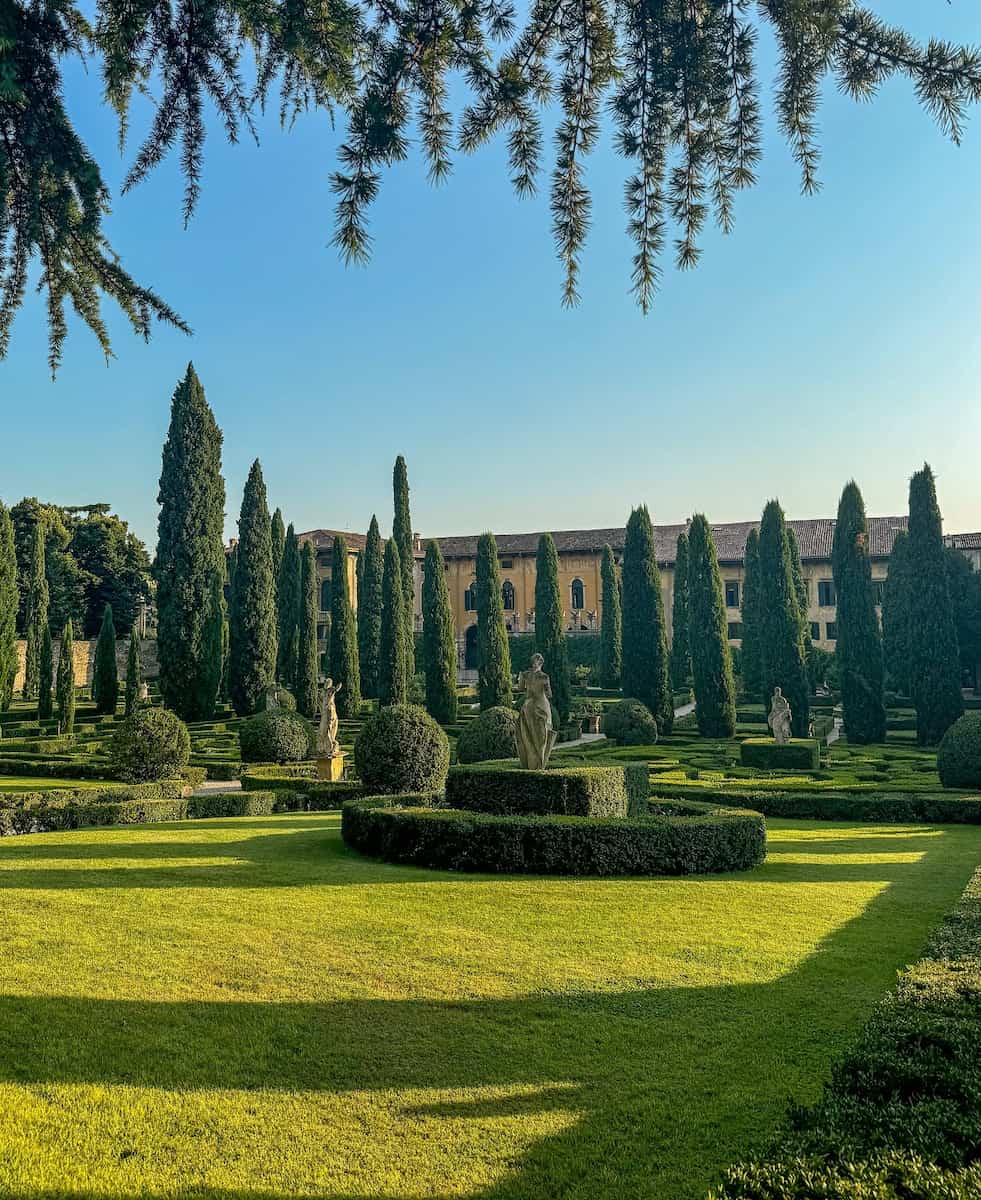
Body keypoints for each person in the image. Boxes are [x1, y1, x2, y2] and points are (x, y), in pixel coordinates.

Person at [516, 653, 557, 769]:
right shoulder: (544, 677)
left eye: (535, 662)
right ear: (541, 663)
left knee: (530, 736)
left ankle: (534, 764)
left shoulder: (525, 675)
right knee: (540, 737)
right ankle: (538, 764)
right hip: (539, 707)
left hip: (530, 706)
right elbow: (549, 694)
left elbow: (519, 689)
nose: (534, 664)